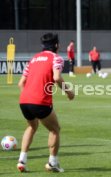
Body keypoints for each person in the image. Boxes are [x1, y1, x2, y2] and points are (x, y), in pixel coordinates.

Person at [17, 33, 75, 173]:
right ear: (56, 45)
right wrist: (69, 92)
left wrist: (29, 97)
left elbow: (21, 83)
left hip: (24, 100)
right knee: (55, 129)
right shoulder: (56, 58)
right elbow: (57, 77)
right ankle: (52, 163)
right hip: (40, 101)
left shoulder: (33, 59)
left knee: (32, 126)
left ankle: (22, 160)